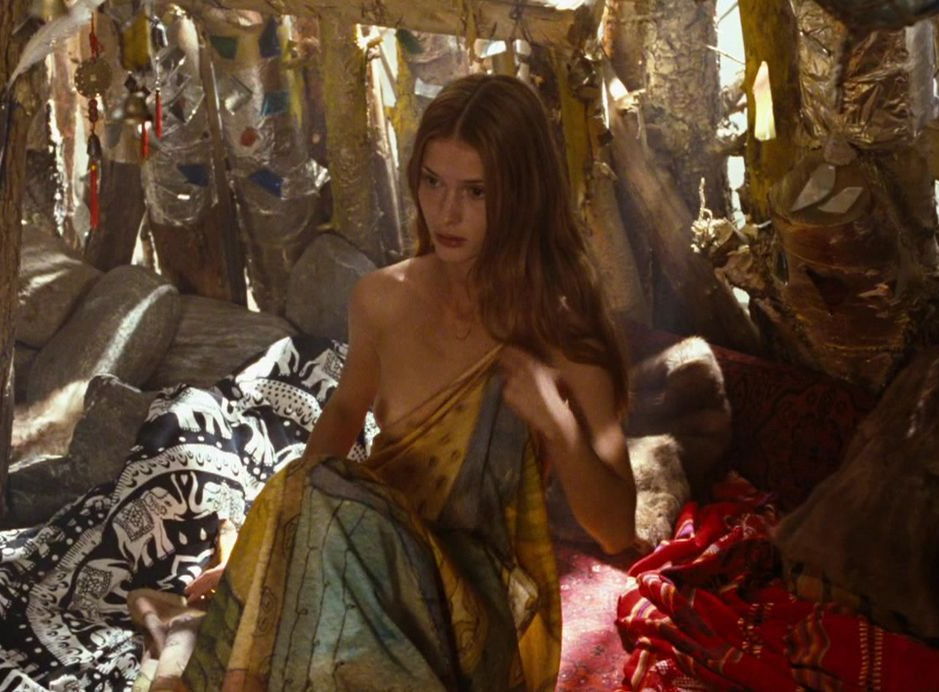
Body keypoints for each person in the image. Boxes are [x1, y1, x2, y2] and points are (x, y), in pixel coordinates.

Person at [180, 73, 637, 691]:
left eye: (476, 192)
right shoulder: (381, 299)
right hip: (366, 560)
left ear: (522, 195)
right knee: (309, 493)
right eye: (432, 182)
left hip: (471, 610)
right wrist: (264, 558)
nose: (447, 212)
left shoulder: (559, 327)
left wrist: (559, 426)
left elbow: (616, 528)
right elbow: (343, 416)